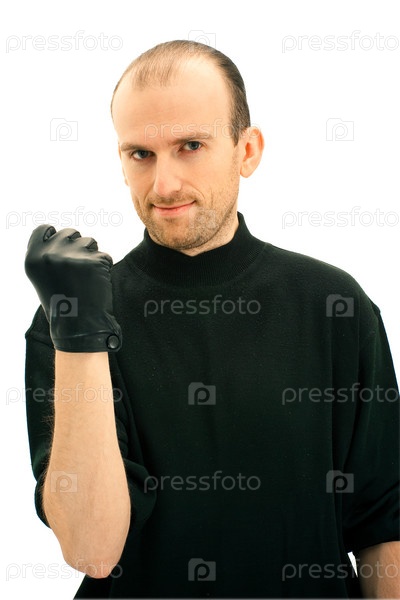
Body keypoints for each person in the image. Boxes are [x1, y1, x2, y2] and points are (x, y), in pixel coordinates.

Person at [24, 40, 399, 599]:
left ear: (247, 150)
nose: (164, 185)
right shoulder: (71, 319)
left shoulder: (334, 303)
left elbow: (383, 526)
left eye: (191, 146)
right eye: (140, 154)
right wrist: (79, 332)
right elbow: (92, 549)